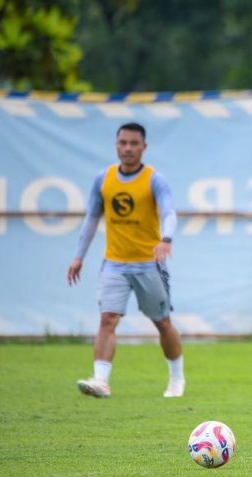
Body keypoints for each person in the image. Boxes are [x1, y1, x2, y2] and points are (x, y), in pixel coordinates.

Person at [67, 122, 185, 399]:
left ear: (144, 147)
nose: (128, 148)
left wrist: (166, 239)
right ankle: (101, 381)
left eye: (134, 143)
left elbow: (169, 212)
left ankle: (177, 378)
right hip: (114, 264)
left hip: (149, 264)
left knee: (162, 322)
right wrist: (78, 257)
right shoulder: (104, 179)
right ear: (116, 145)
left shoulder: (154, 180)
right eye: (123, 143)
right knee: (107, 319)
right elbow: (91, 219)